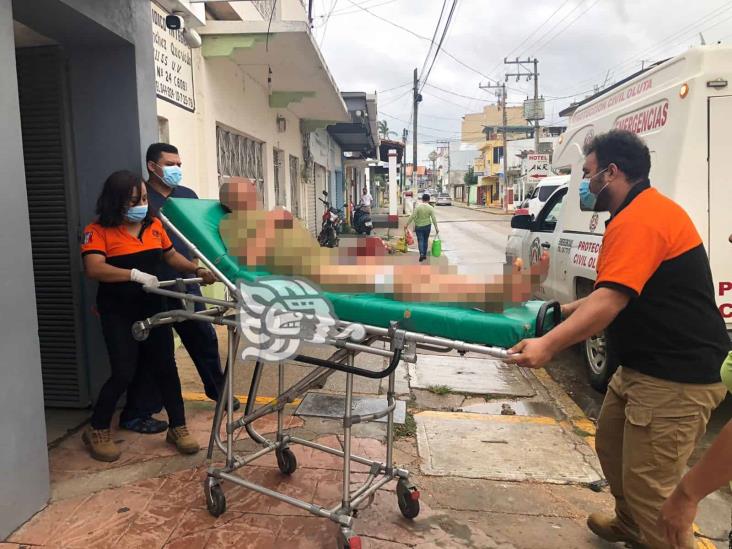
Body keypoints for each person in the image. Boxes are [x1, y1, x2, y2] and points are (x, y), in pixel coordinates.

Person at [505, 130, 729, 548]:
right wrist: (555, 315)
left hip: (678, 376)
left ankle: (654, 533)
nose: (586, 185)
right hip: (642, 366)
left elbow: (608, 301)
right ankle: (630, 525)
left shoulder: (642, 219)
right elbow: (613, 291)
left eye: (589, 173)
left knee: (653, 492)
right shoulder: (635, 214)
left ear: (612, 172)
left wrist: (548, 346)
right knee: (611, 446)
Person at [218, 178, 547, 310]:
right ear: (234, 199)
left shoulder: (273, 213)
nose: (254, 194)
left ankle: (498, 289)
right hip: (315, 277)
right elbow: (246, 260)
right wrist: (272, 224)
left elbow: (312, 244)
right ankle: (496, 296)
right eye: (246, 192)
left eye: (253, 189)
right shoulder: (233, 223)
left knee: (403, 270)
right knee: (402, 281)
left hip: (327, 262)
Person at [80, 171, 216, 462]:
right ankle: (98, 429)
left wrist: (196, 270)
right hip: (118, 312)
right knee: (123, 372)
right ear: (115, 202)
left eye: (143, 198)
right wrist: (132, 274)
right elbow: (94, 268)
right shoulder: (98, 230)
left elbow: (169, 256)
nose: (141, 204)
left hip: (154, 308)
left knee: (166, 366)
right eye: (133, 200)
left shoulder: (153, 225)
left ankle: (178, 427)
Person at [119, 144, 239, 435]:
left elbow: (200, 231)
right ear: (152, 166)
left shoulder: (187, 196)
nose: (176, 169)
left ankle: (218, 391)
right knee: (156, 351)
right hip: (154, 284)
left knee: (203, 336)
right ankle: (139, 412)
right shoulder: (141, 198)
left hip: (187, 279)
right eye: (170, 163)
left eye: (179, 163)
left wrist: (199, 264)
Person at [406, 193, 439, 262]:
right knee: (425, 240)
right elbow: (433, 218)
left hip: (419, 226)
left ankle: (421, 253)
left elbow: (412, 216)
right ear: (429, 200)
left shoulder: (418, 207)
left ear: (422, 199)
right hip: (427, 226)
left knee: (420, 240)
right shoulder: (430, 208)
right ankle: (424, 254)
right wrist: (436, 228)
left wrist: (407, 224)